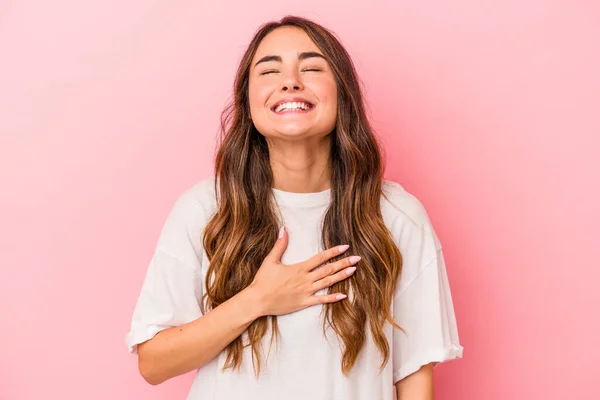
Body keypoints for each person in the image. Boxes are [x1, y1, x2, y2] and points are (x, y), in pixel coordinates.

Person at [125, 15, 463, 400]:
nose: (290, 81)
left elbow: (415, 374)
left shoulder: (395, 217)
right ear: (248, 101)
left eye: (312, 67)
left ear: (343, 94)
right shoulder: (205, 209)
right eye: (269, 70)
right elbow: (153, 363)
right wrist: (258, 299)